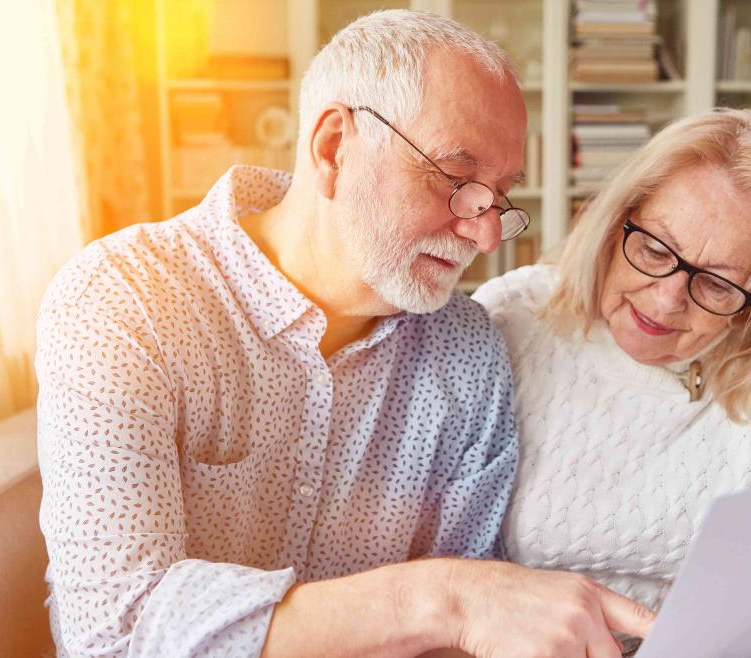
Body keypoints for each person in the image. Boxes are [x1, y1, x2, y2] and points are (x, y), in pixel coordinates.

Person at [36, 10, 652, 658]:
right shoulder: (126, 301)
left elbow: (468, 643)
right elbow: (116, 630)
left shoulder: (467, 353)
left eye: (498, 195)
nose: (488, 233)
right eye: (455, 179)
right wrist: (443, 600)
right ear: (333, 147)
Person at [473, 109, 751, 658]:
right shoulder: (513, 322)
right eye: (655, 250)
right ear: (615, 222)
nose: (665, 300)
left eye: (718, 284)